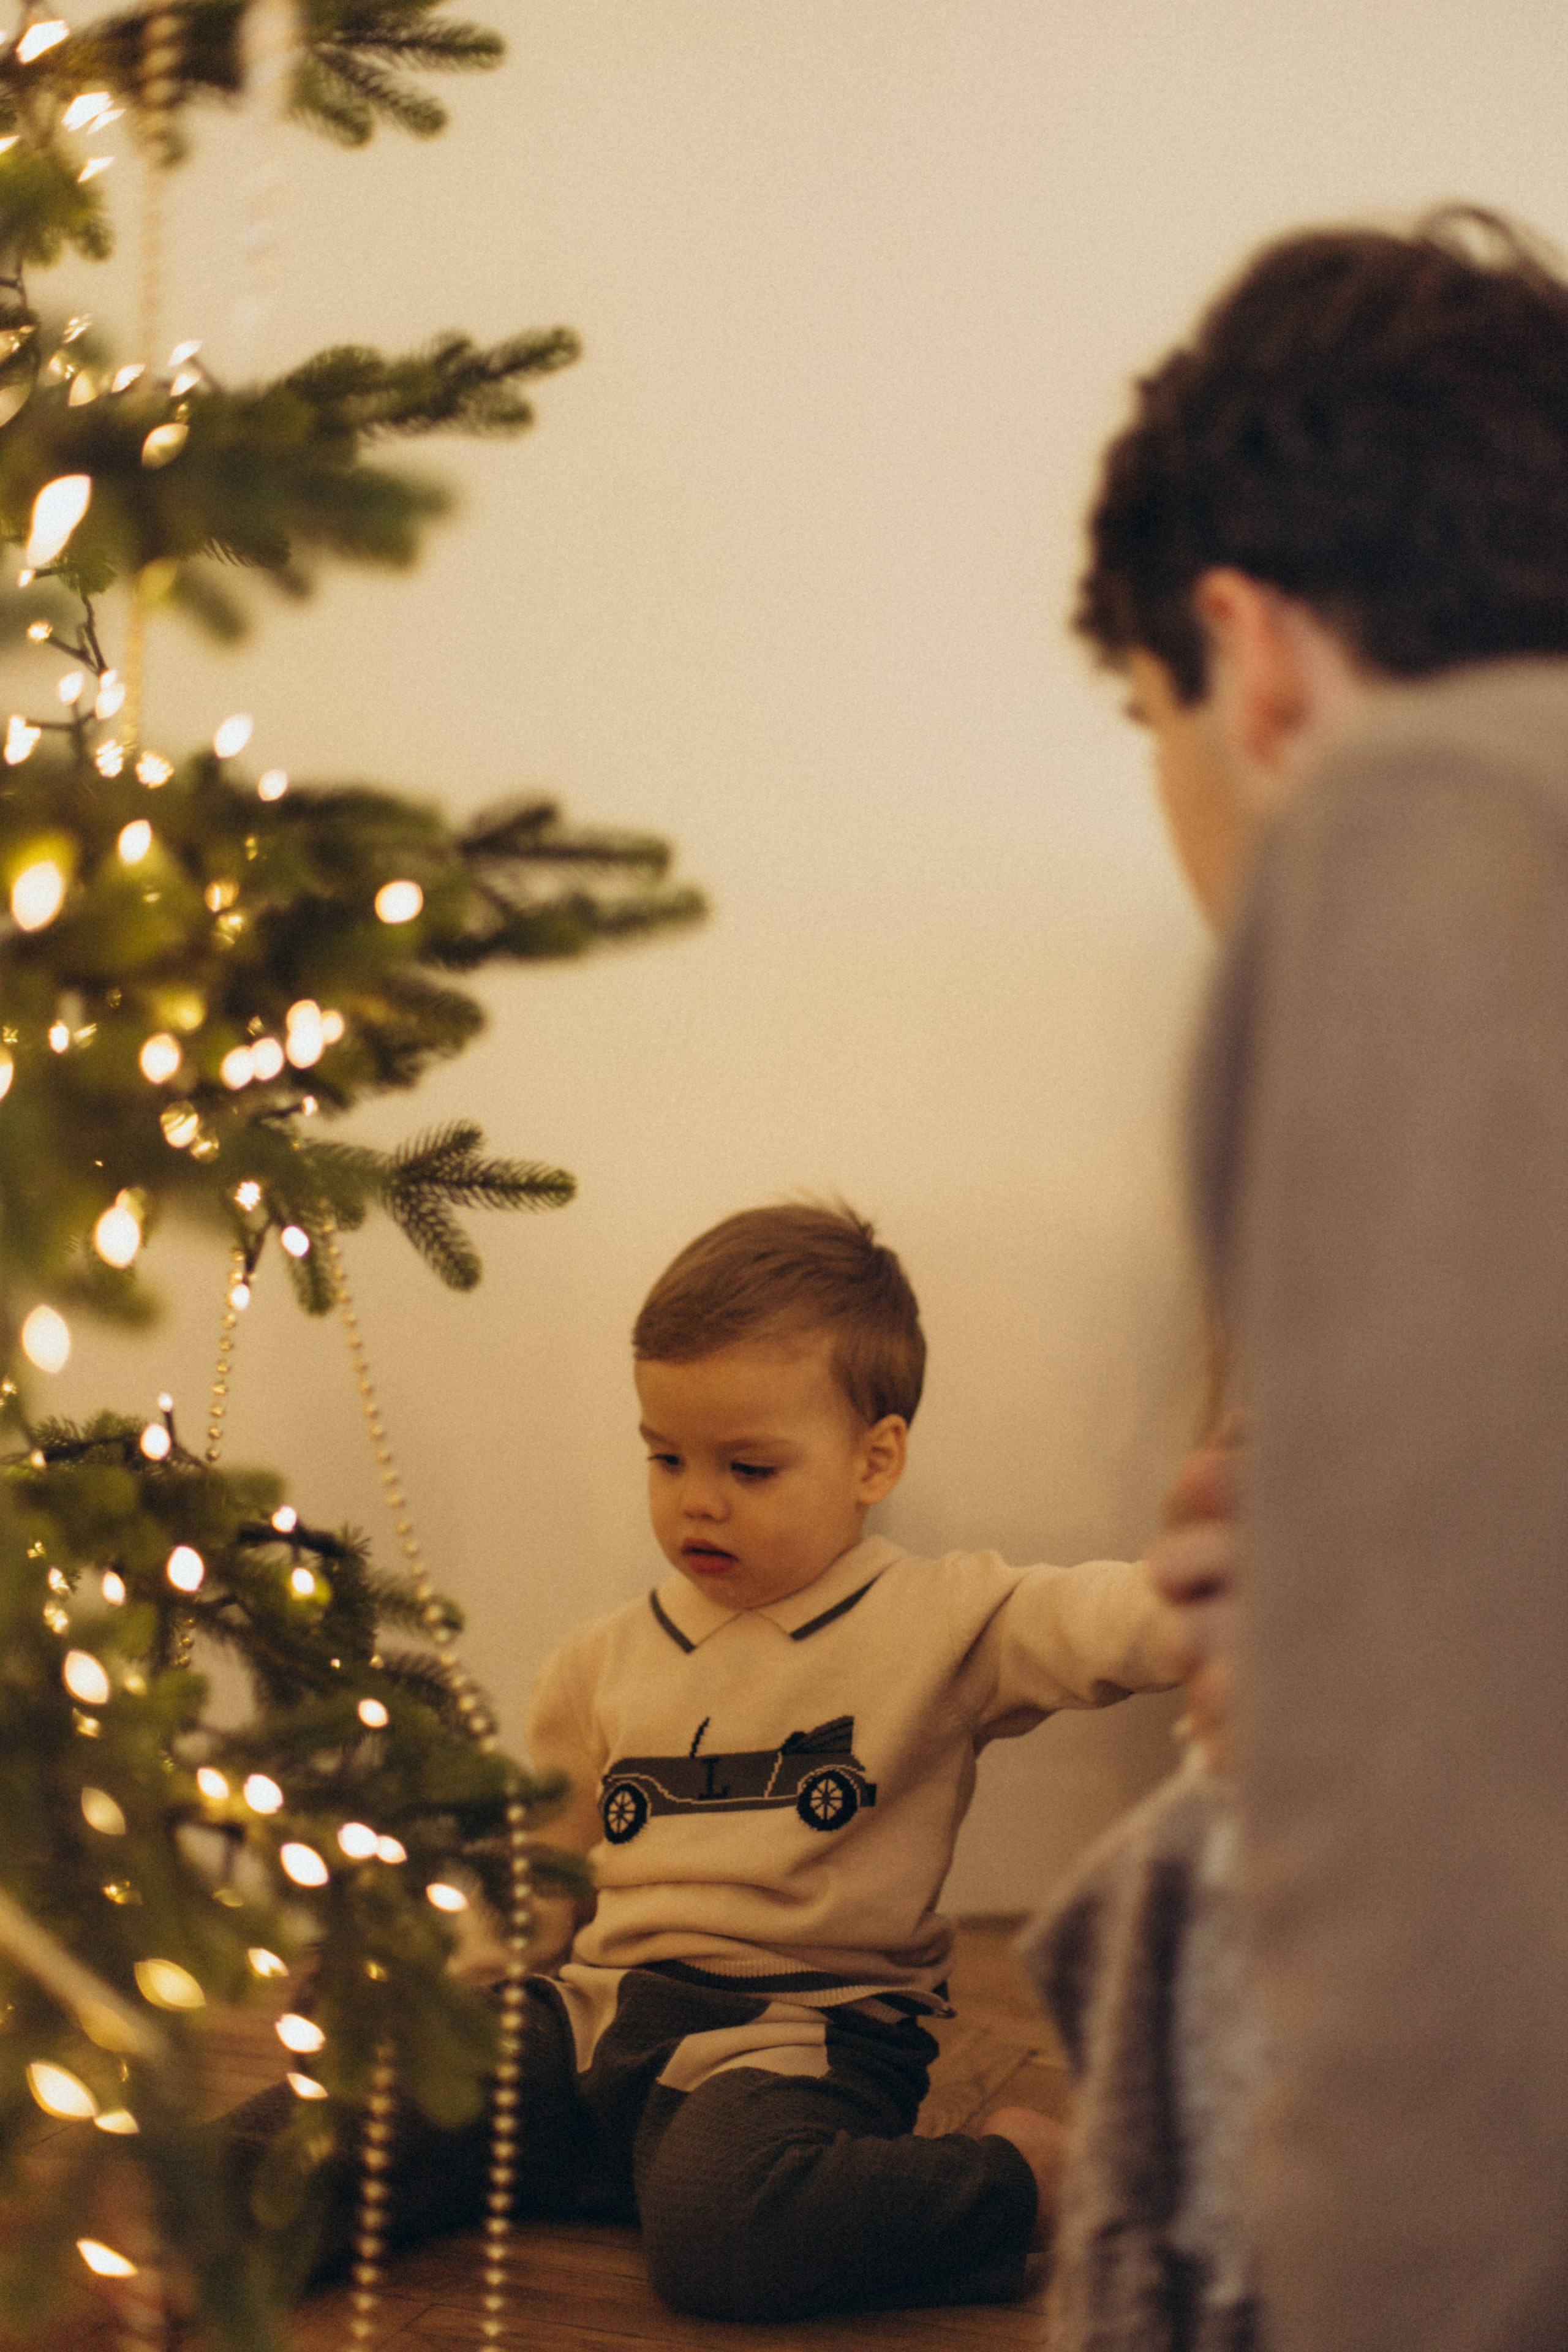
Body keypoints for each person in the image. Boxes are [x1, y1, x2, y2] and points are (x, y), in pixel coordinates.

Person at [1060, 205, 1568, 2352]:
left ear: (1246, 653)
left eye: (1149, 722)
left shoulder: (1419, 838)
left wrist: (1331, 1707)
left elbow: (1458, 1933)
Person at [230, 1200, 1179, 2321]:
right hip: (593, 2020)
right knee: (360, 2111)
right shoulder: (598, 1663)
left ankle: (1023, 2181)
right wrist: (447, 1998)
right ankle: (176, 2210)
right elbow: (542, 1879)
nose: (698, 1499)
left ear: (874, 1459)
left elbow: (1101, 1622)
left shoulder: (943, 1618)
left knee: (729, 2234)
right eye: (666, 1456)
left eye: (750, 1467)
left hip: (798, 2035)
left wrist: (1221, 1587)